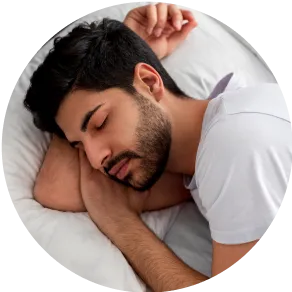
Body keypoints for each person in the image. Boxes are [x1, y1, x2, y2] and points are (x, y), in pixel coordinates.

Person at [23, 2, 291, 291]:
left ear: (150, 83)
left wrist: (122, 226)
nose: (96, 158)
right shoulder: (198, 161)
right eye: (79, 145)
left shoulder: (236, 142)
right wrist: (126, 47)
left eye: (100, 122)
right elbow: (54, 189)